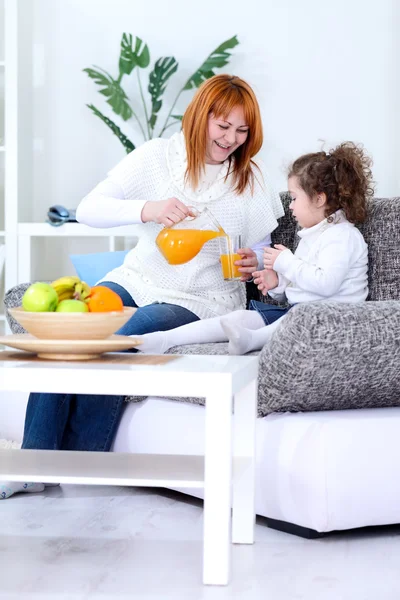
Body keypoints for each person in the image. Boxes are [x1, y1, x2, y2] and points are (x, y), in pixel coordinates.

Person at [1, 74, 284, 499]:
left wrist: (252, 265)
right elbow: (90, 208)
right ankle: (35, 462)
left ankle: (83, 462)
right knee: (73, 330)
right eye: (222, 126)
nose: (230, 139)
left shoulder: (248, 179)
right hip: (135, 277)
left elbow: (259, 253)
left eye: (241, 131)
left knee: (130, 331)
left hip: (200, 298)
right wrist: (149, 209)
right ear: (199, 116)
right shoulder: (157, 158)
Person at [133, 142, 373, 356]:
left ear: (319, 199)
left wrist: (286, 263)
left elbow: (325, 283)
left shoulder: (342, 236)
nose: (290, 207)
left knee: (293, 320)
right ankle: (166, 339)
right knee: (239, 317)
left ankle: (252, 340)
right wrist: (277, 282)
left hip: (335, 320)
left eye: (294, 198)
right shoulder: (313, 234)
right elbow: (302, 287)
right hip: (300, 313)